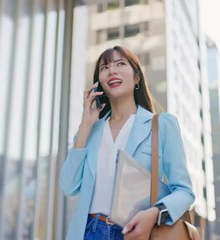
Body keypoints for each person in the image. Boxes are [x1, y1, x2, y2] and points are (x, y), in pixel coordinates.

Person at [60, 46, 195, 240]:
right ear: (99, 82)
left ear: (137, 77)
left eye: (120, 64)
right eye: (104, 67)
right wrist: (85, 124)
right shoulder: (90, 131)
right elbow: (68, 185)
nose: (112, 70)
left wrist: (155, 214)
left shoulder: (162, 125)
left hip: (136, 232)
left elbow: (184, 191)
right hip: (89, 232)